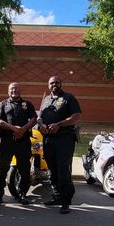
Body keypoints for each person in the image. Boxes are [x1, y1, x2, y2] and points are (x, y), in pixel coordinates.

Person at [37, 75, 82, 214]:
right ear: (48, 85)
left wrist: (59, 124)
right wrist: (41, 125)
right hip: (48, 140)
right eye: (51, 83)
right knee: (52, 169)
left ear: (60, 84)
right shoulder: (46, 99)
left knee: (63, 169)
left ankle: (66, 201)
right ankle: (57, 196)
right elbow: (40, 117)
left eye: (57, 82)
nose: (54, 84)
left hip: (64, 139)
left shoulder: (68, 98)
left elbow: (76, 116)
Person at [0, 82, 37, 205]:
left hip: (23, 141)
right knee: (2, 168)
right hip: (7, 141)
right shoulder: (3, 104)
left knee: (25, 169)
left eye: (16, 89)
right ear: (8, 91)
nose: (14, 91)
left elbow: (34, 119)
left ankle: (22, 194)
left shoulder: (27, 104)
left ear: (20, 91)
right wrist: (13, 129)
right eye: (12, 89)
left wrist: (22, 129)